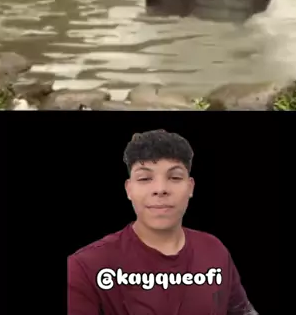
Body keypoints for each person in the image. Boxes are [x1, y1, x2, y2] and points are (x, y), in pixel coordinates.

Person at [68, 129, 259, 315]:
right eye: (145, 178)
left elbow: (241, 310)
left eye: (174, 177)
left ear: (190, 187)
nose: (160, 189)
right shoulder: (85, 266)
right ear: (129, 189)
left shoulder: (214, 250)